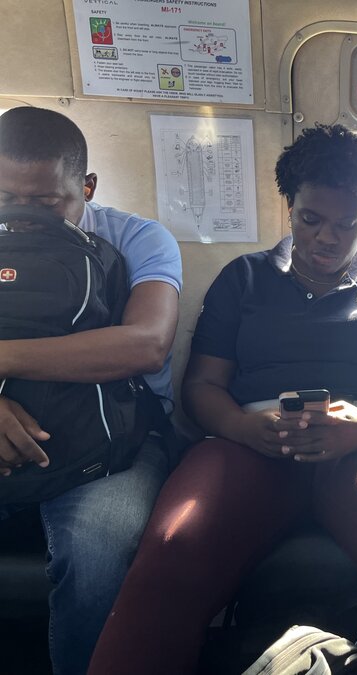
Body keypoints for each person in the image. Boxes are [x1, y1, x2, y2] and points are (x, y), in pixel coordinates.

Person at [88, 124, 357, 675]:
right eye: (311, 219)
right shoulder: (242, 280)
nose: (327, 238)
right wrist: (245, 429)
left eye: (347, 224)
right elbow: (201, 388)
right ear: (289, 207)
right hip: (251, 444)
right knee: (174, 546)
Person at [0, 106, 182, 675]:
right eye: (8, 199)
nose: (24, 216)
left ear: (86, 187)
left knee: (97, 555)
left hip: (117, 440)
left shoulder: (139, 239)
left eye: (46, 202)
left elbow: (145, 344)